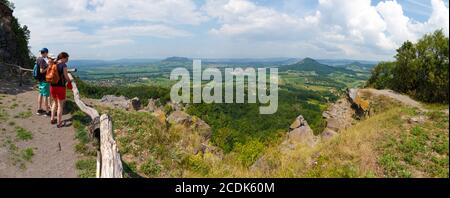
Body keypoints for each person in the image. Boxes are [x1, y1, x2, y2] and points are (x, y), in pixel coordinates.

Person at [50, 52, 71, 128]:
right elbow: (66, 76)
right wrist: (70, 81)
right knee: (60, 105)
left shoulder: (53, 63)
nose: (67, 60)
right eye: (67, 58)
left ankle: (52, 119)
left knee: (54, 103)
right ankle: (59, 123)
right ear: (63, 58)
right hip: (60, 87)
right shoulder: (63, 65)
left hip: (52, 86)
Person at [36, 48, 51, 116]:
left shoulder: (38, 58)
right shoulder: (42, 60)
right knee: (45, 95)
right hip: (45, 80)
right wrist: (48, 67)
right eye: (46, 53)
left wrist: (47, 58)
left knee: (41, 94)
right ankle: (47, 111)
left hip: (40, 80)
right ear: (45, 52)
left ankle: (39, 109)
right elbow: (41, 71)